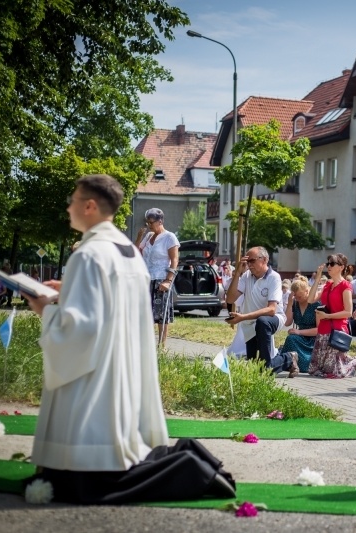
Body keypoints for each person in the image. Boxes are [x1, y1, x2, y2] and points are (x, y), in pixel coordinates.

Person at [21, 174, 235, 504]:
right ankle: (189, 459)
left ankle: (191, 470)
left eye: (72, 200)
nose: (68, 207)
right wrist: (70, 289)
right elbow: (114, 304)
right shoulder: (127, 252)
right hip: (124, 365)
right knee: (103, 463)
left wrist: (45, 310)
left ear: (90, 206)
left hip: (95, 374)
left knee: (86, 483)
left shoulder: (88, 254)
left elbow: (82, 330)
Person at [225, 246, 298, 376]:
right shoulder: (246, 276)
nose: (249, 264)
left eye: (252, 260)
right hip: (250, 324)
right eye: (247, 261)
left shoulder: (274, 277)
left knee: (262, 321)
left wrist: (242, 317)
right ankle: (289, 359)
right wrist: (237, 274)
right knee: (259, 369)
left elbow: (271, 310)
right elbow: (230, 299)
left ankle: (281, 360)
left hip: (273, 319)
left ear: (264, 260)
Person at [308, 253, 356, 377]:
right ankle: (355, 360)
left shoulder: (345, 286)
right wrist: (318, 278)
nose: (328, 266)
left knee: (334, 373)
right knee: (314, 370)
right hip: (323, 330)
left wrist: (327, 316)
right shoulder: (327, 285)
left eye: (332, 264)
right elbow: (310, 299)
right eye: (328, 264)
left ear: (341, 267)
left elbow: (348, 312)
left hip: (337, 330)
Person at [136, 208, 179, 347]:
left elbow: (174, 260)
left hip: (161, 278)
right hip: (147, 278)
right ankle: (146, 345)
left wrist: (168, 280)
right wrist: (139, 236)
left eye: (151, 222)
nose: (149, 225)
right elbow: (136, 252)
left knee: (161, 314)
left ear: (160, 221)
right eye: (147, 222)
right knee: (146, 313)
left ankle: (162, 346)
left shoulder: (169, 237)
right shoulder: (149, 236)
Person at [278, 279, 318, 374]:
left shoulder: (316, 305)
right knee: (291, 339)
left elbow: (319, 330)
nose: (297, 299)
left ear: (307, 291)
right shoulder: (295, 304)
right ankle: (289, 362)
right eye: (295, 296)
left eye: (299, 296)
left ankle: (295, 363)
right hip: (300, 338)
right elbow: (287, 322)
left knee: (306, 362)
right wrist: (290, 304)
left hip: (313, 340)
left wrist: (299, 332)